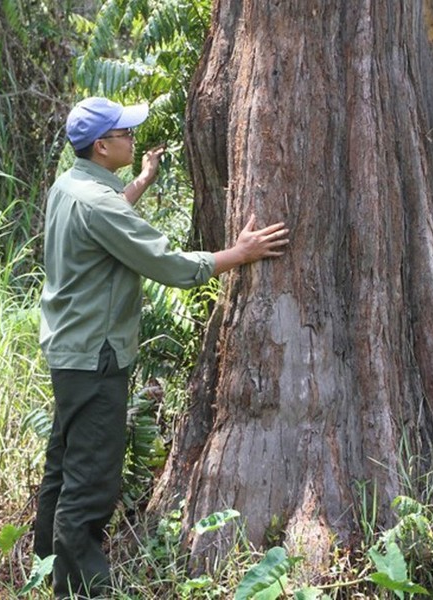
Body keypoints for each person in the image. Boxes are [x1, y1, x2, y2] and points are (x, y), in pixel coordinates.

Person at [33, 96, 289, 598]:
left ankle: (44, 574)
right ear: (102, 146)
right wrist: (239, 253)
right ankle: (82, 592)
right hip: (97, 359)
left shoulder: (72, 187)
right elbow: (168, 265)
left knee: (62, 468)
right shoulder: (97, 203)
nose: (133, 139)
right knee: (90, 486)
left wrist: (143, 180)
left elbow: (104, 222)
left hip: (70, 352)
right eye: (124, 134)